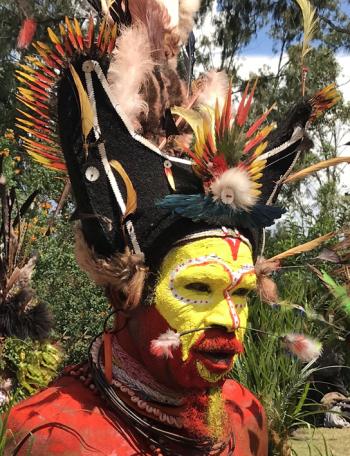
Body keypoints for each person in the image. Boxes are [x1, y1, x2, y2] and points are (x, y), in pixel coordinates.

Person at [5, 1, 338, 454]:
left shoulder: (246, 419)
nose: (228, 319)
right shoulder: (58, 438)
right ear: (126, 293)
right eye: (199, 286)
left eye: (240, 293)